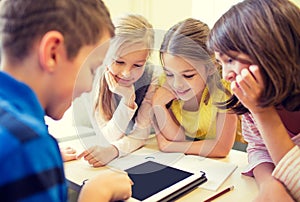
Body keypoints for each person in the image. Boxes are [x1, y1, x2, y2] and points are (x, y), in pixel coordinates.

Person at [0, 0, 133, 201]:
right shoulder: (27, 144)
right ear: (53, 53)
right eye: (91, 69)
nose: (89, 86)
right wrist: (96, 193)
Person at [207, 0, 300, 201]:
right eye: (220, 63)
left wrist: (263, 112)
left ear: (271, 50)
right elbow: (258, 149)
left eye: (230, 60)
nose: (226, 75)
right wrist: (269, 184)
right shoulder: (249, 103)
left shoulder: (257, 105)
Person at [71, 14, 161, 167]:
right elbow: (107, 137)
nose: (127, 73)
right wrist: (127, 100)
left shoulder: (154, 77)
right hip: (118, 152)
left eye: (138, 65)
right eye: (119, 62)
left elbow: (140, 134)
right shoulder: (95, 75)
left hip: (145, 152)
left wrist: (113, 151)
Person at [152, 18, 237, 158]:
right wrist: (157, 104)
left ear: (211, 68)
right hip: (191, 160)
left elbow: (221, 148)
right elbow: (178, 139)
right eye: (169, 74)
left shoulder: (225, 91)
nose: (177, 84)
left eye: (188, 75)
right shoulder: (164, 86)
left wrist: (169, 146)